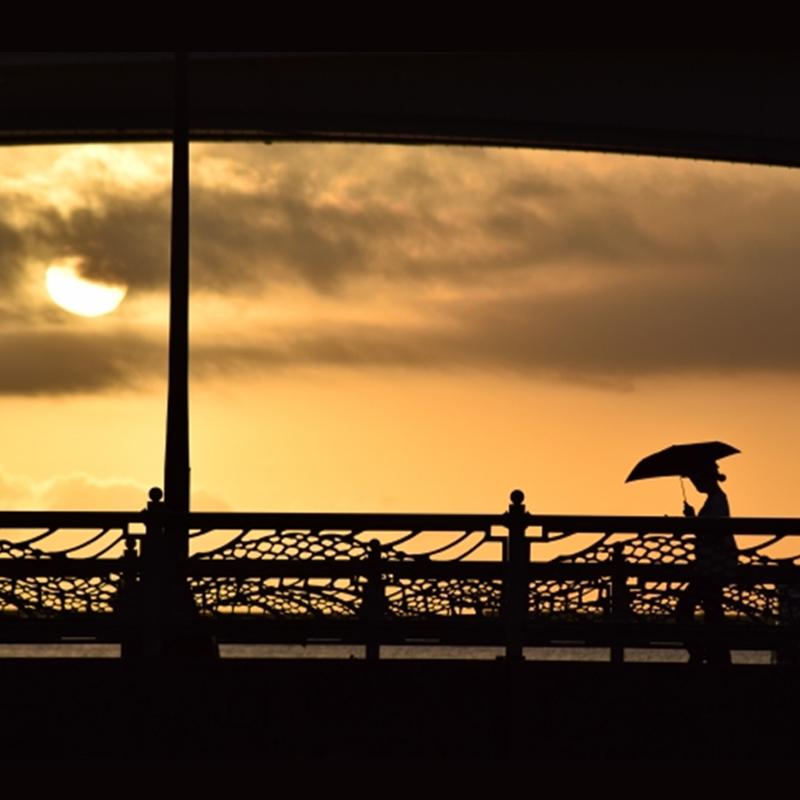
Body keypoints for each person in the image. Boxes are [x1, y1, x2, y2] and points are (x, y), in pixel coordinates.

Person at [676, 462, 737, 665]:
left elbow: (713, 535)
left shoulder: (717, 503)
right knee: (712, 611)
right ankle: (716, 656)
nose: (695, 485)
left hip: (712, 568)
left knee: (685, 609)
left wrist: (693, 522)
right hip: (712, 567)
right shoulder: (716, 501)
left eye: (696, 480)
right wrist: (694, 520)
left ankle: (700, 654)